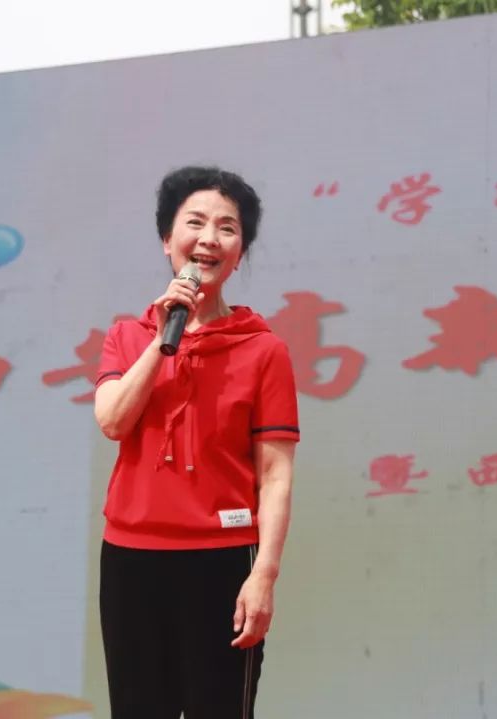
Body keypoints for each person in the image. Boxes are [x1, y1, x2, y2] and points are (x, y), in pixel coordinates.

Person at [94, 166, 299, 718]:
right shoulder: (127, 336)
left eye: (227, 228)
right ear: (168, 240)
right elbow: (112, 421)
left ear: (239, 253)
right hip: (131, 560)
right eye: (195, 223)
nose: (210, 238)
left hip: (222, 560)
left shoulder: (264, 351)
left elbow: (275, 475)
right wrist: (163, 341)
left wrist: (264, 575)